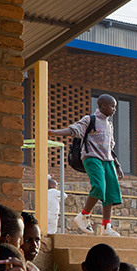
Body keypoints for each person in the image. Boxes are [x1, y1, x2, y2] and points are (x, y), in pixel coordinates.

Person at [50, 94, 122, 237]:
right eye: (112, 106)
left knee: (111, 192)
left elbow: (110, 147)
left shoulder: (109, 124)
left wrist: (117, 165)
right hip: (92, 157)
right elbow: (74, 130)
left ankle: (106, 226)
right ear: (102, 106)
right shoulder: (90, 119)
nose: (114, 109)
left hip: (107, 160)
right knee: (99, 187)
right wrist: (56, 132)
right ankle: (83, 216)